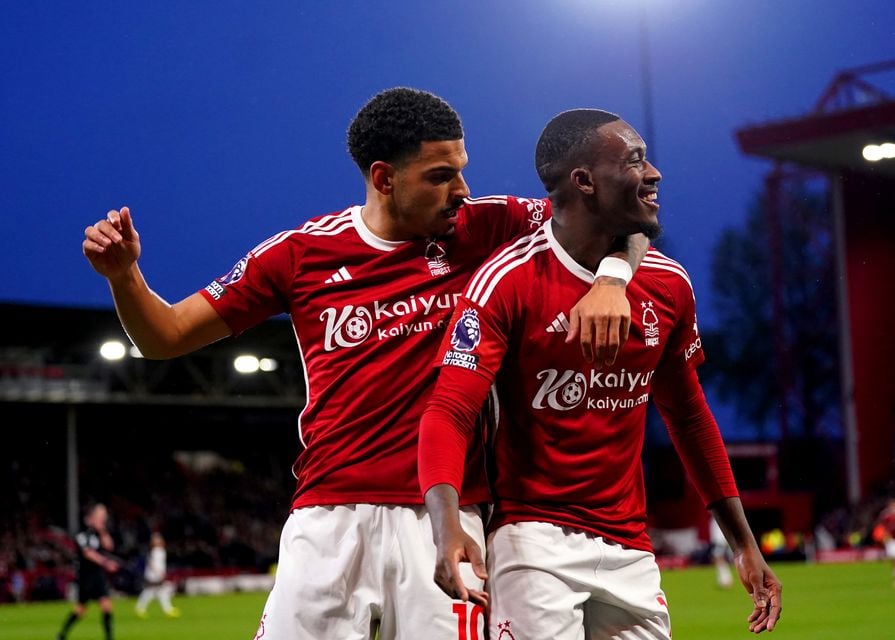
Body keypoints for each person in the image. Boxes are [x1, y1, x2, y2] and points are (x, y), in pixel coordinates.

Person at [81, 88, 647, 639]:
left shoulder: (489, 227)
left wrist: (612, 279)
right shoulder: (300, 254)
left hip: (447, 517)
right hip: (328, 517)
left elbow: (622, 218)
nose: (462, 190)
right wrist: (125, 277)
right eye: (440, 175)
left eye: (461, 169)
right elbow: (165, 336)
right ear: (383, 178)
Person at [419, 109, 783, 638]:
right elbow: (450, 409)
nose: (654, 172)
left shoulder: (668, 285)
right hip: (530, 539)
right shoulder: (507, 281)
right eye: (635, 160)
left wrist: (744, 544)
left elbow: (690, 419)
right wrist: (447, 523)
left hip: (630, 546)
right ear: (583, 181)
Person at [56, 503, 120, 640]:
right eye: (100, 516)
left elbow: (109, 546)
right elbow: (88, 553)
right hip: (86, 575)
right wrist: (106, 562)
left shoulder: (98, 532)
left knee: (106, 606)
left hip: (98, 574)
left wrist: (102, 530)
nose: (103, 519)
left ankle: (109, 637)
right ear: (91, 517)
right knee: (80, 609)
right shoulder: (81, 532)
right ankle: (62, 634)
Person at [135, 532, 181, 618]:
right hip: (154, 575)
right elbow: (153, 564)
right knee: (152, 591)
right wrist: (159, 572)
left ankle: (167, 609)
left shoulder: (159, 551)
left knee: (157, 592)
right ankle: (141, 608)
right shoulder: (156, 551)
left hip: (155, 574)